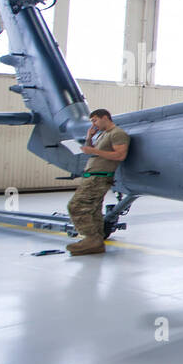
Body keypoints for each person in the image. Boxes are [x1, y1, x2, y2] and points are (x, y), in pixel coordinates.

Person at [67, 108, 129, 256]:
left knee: (76, 206)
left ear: (105, 117)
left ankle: (90, 239)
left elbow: (120, 155)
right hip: (93, 175)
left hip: (99, 177)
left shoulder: (117, 134)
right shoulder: (103, 135)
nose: (94, 124)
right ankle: (96, 243)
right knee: (93, 211)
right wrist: (89, 137)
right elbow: (91, 150)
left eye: (95, 120)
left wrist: (94, 151)